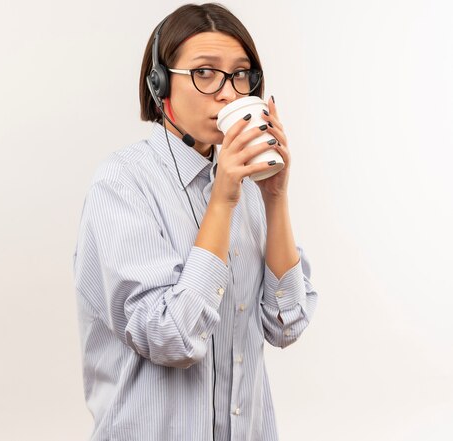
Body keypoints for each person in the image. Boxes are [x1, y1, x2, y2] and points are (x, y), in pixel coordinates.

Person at [73, 3, 318, 441]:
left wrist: (275, 197)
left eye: (241, 74)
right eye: (205, 73)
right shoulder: (123, 183)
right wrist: (221, 202)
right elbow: (170, 337)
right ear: (159, 84)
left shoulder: (248, 185)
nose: (229, 93)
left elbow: (286, 323)